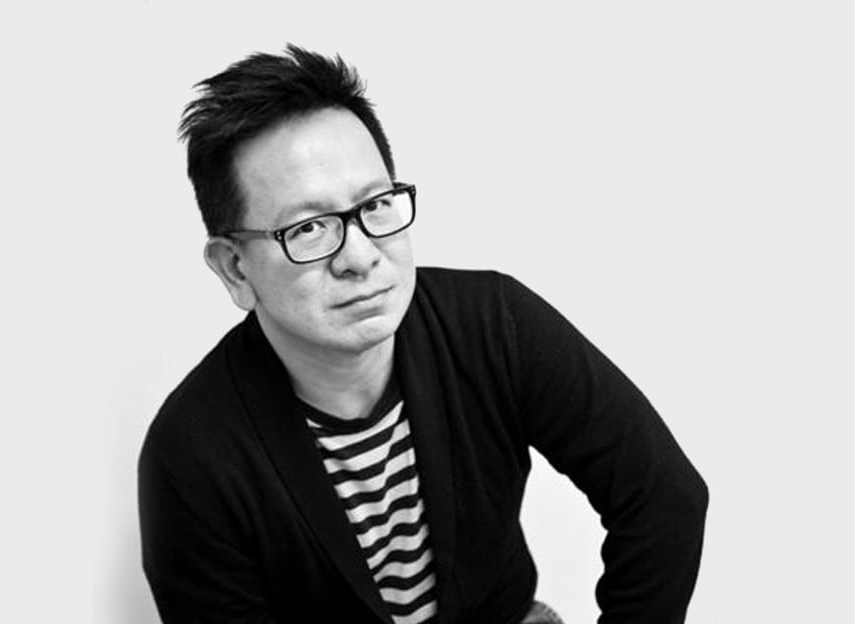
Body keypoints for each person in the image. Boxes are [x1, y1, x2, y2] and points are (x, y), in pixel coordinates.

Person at [138, 44, 708, 624]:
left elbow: (664, 498)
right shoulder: (191, 455)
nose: (360, 256)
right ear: (235, 268)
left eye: (375, 204)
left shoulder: (494, 323)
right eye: (308, 228)